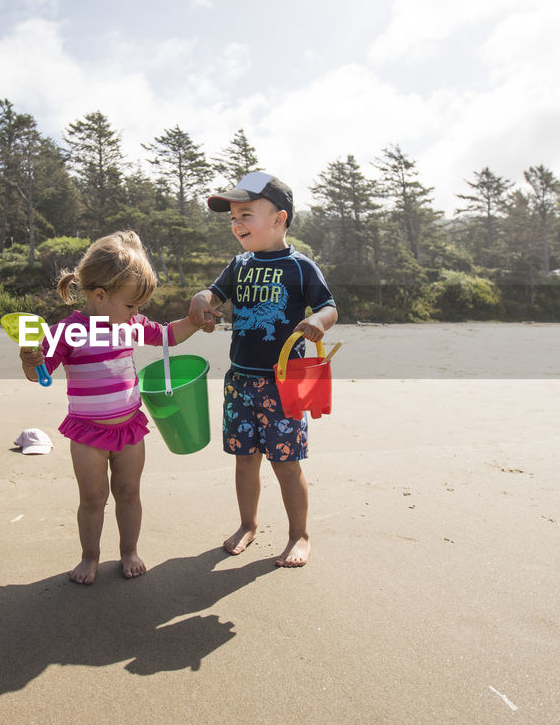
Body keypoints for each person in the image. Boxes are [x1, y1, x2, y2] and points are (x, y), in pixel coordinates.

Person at [19, 230, 202, 585]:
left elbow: (166, 335)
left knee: (129, 493)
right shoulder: (67, 331)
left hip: (130, 427)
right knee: (92, 498)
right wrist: (31, 359)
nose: (137, 313)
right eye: (131, 305)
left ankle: (129, 550)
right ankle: (90, 556)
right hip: (88, 432)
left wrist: (194, 322)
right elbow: (39, 373)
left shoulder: (129, 325)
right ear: (100, 296)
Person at [187, 172, 338, 567]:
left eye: (246, 214)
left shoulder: (300, 266)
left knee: (286, 463)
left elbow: (329, 306)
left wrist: (318, 322)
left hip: (284, 385)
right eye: (233, 217)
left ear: (278, 218)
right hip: (239, 381)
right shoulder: (239, 264)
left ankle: (299, 535)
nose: (236, 224)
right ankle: (248, 524)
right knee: (244, 459)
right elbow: (212, 294)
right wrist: (200, 301)